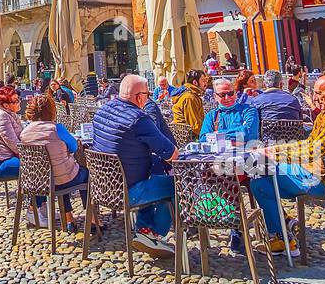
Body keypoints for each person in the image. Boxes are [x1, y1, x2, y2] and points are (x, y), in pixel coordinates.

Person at [250, 74, 325, 255]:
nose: (315, 97)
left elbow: (312, 150)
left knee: (259, 173)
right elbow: (307, 145)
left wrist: (272, 152)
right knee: (259, 179)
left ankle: (282, 235)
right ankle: (283, 233)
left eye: (319, 93)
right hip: (309, 174)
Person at [91, 74, 176, 258]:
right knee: (176, 185)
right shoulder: (139, 119)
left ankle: (143, 229)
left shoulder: (101, 112)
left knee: (151, 175)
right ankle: (152, 233)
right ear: (139, 97)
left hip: (101, 188)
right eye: (147, 94)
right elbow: (171, 154)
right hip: (128, 192)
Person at [20, 93, 89, 231]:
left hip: (40, 181)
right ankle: (91, 218)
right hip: (62, 178)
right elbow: (75, 147)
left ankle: (69, 218)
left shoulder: (24, 133)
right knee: (84, 174)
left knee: (59, 170)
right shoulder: (57, 129)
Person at [198, 78, 260, 145]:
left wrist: (217, 134)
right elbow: (203, 139)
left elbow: (250, 134)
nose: (227, 98)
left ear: (235, 93)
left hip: (245, 153)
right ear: (215, 96)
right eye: (222, 95)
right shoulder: (211, 116)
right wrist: (238, 135)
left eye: (230, 93)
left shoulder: (249, 110)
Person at [0, 85, 23, 178]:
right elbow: (14, 145)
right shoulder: (1, 116)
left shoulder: (9, 113)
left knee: (40, 163)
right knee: (35, 165)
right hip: (0, 163)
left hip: (7, 157)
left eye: (18, 99)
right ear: (6, 105)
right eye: (16, 101)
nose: (19, 102)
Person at [171, 70, 207, 134]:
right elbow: (195, 125)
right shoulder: (189, 97)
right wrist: (207, 134)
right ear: (195, 82)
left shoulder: (193, 95)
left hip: (189, 133)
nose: (206, 84)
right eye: (203, 81)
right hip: (189, 136)